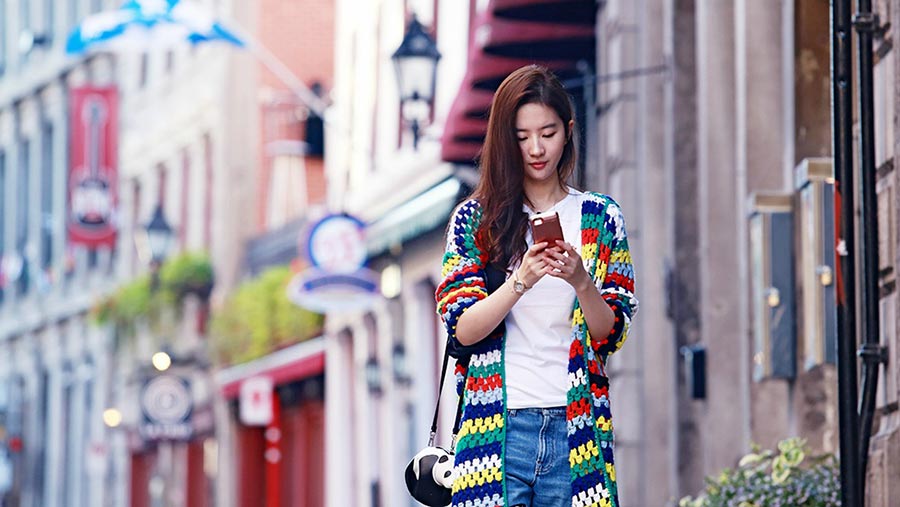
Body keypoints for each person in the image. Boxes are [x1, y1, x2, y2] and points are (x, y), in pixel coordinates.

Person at [435, 65, 638, 507]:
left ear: (567, 131)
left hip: (576, 427)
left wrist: (582, 281)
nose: (536, 148)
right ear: (505, 140)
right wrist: (520, 280)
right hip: (497, 430)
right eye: (522, 136)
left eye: (547, 133)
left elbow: (610, 334)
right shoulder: (476, 222)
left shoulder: (600, 219)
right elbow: (463, 330)